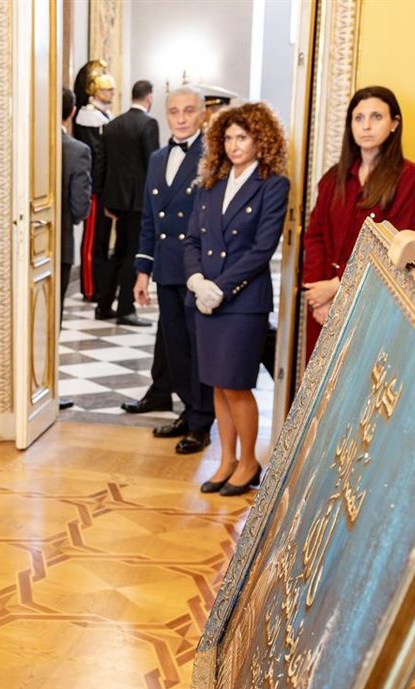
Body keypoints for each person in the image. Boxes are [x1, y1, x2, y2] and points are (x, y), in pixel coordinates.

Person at [183, 102, 290, 496]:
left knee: (236, 385)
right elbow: (192, 240)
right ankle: (226, 460)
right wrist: (197, 281)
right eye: (227, 138)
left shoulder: (273, 184)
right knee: (217, 384)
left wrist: (220, 289)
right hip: (205, 298)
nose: (234, 145)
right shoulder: (211, 183)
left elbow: (262, 249)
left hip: (243, 303)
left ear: (260, 139)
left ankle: (248, 462)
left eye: (242, 137)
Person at [301, 86, 415, 361]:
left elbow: (394, 245)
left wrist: (338, 286)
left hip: (369, 300)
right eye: (358, 118)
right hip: (322, 302)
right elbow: (314, 235)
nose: (366, 126)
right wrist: (319, 295)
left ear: (394, 123)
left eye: (376, 117)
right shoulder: (334, 177)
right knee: (316, 379)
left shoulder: (409, 177)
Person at [132, 86, 213, 454]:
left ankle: (201, 421)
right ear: (166, 115)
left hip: (197, 271)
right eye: (174, 111)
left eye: (189, 110)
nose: (181, 118)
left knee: (199, 348)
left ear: (202, 114)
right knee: (175, 346)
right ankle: (187, 409)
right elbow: (150, 220)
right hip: (166, 268)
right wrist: (142, 271)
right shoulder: (157, 158)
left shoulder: (212, 156)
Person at [93, 79, 159, 326]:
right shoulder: (148, 124)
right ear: (149, 98)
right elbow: (153, 164)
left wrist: (103, 200)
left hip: (115, 200)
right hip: (139, 201)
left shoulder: (112, 124)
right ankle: (125, 308)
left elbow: (101, 164)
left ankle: (103, 305)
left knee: (118, 252)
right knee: (133, 253)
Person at [72, 61, 115, 303]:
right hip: (94, 188)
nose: (110, 93)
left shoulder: (103, 115)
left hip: (105, 187)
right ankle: (90, 287)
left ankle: (101, 284)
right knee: (92, 241)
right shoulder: (87, 116)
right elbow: (95, 156)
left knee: (102, 239)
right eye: (106, 90)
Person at [60, 86, 93, 318]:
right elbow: (80, 207)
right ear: (72, 111)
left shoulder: (23, 145)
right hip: (61, 240)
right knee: (53, 315)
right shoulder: (77, 150)